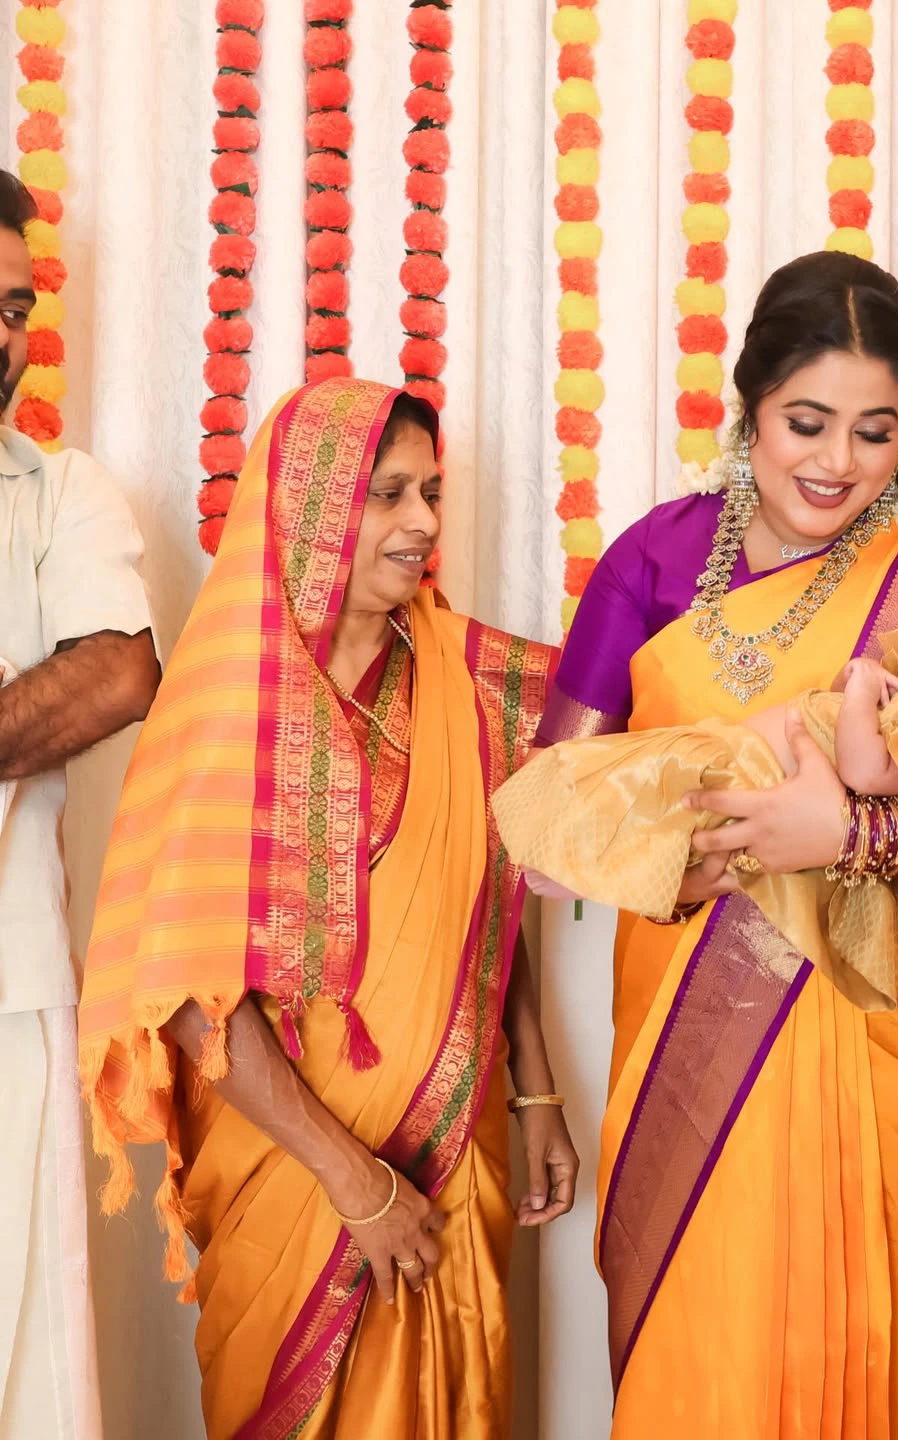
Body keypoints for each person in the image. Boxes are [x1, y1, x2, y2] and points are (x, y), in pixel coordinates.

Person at [534, 251, 898, 1437]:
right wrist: (703, 854)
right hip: (700, 1036)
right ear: (749, 406)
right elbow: (547, 810)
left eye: (875, 432)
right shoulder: (654, 562)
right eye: (806, 424)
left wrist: (854, 833)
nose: (837, 464)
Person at [78, 377, 577, 1439]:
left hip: (453, 1138)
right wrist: (356, 1184)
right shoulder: (226, 709)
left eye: (431, 493)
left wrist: (535, 1093)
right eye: (388, 495)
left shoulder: (466, 677)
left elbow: (485, 896)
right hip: (292, 1174)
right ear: (307, 508)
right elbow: (191, 993)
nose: (426, 524)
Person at [498, 612, 898, 1011]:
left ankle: (580, 867)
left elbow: (864, 771)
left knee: (663, 812)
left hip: (757, 783)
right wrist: (852, 684)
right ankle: (565, 849)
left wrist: (862, 689)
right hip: (736, 761)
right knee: (636, 786)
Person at [0, 171, 159, 1438]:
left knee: (26, 1355)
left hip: (11, 990)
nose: (3, 339)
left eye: (15, 308)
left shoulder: (61, 492)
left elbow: (115, 671)